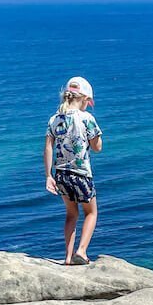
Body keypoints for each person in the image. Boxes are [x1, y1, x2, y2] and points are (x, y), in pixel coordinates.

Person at [44, 76, 102, 265]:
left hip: (60, 173)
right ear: (84, 98)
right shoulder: (86, 118)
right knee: (91, 212)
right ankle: (82, 251)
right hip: (81, 173)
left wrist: (48, 176)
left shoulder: (54, 118)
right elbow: (97, 147)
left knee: (71, 214)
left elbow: (48, 148)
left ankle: (68, 257)